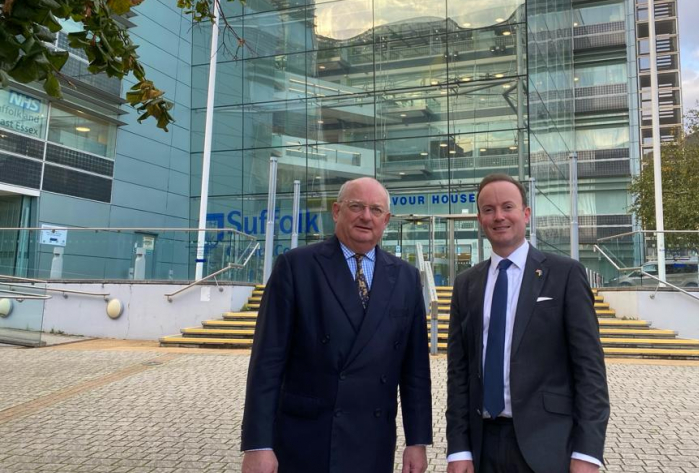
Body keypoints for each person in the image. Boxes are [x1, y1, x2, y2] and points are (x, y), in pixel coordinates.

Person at [241, 177, 432, 473]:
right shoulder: (295, 266)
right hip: (306, 439)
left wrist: (417, 441)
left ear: (387, 219)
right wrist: (258, 445)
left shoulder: (406, 277)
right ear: (336, 211)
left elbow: (415, 371)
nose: (366, 216)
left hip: (374, 442)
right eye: (356, 206)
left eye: (375, 209)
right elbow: (267, 362)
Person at [445, 173, 610, 473]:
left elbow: (590, 372)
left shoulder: (565, 275)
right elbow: (458, 374)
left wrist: (587, 454)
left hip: (548, 447)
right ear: (480, 218)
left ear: (526, 213)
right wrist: (458, 449)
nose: (499, 217)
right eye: (488, 210)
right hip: (482, 448)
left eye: (507, 207)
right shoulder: (465, 284)